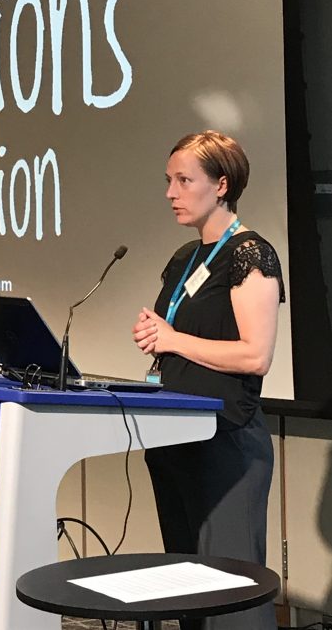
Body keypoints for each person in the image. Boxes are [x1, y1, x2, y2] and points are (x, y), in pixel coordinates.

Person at [132, 130, 285, 630]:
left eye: (184, 180)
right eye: (168, 181)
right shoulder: (184, 258)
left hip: (226, 443)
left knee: (230, 596)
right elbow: (178, 332)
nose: (171, 193)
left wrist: (174, 339)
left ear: (221, 185)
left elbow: (255, 355)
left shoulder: (250, 254)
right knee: (188, 586)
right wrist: (157, 337)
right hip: (174, 437)